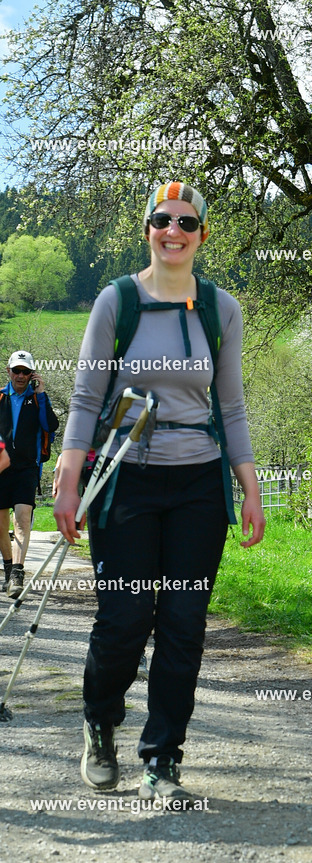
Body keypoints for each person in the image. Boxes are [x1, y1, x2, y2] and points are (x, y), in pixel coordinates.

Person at [54, 181, 265, 805]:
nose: (172, 231)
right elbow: (89, 398)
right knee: (123, 618)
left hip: (199, 478)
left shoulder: (221, 309)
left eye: (186, 222)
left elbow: (231, 405)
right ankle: (100, 723)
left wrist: (249, 486)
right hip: (125, 475)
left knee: (182, 622)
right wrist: (67, 482)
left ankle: (162, 758)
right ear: (147, 227)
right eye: (161, 219)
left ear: (202, 234)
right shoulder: (116, 301)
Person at [0, 351, 59, 597]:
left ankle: (18, 573)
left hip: (27, 468)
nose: (21, 376)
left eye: (26, 371)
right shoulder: (0, 397)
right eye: (17, 371)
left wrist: (42, 392)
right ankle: (8, 567)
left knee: (22, 518)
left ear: (32, 374)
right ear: (9, 371)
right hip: (1, 468)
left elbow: (50, 426)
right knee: (1, 522)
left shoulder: (38, 399)